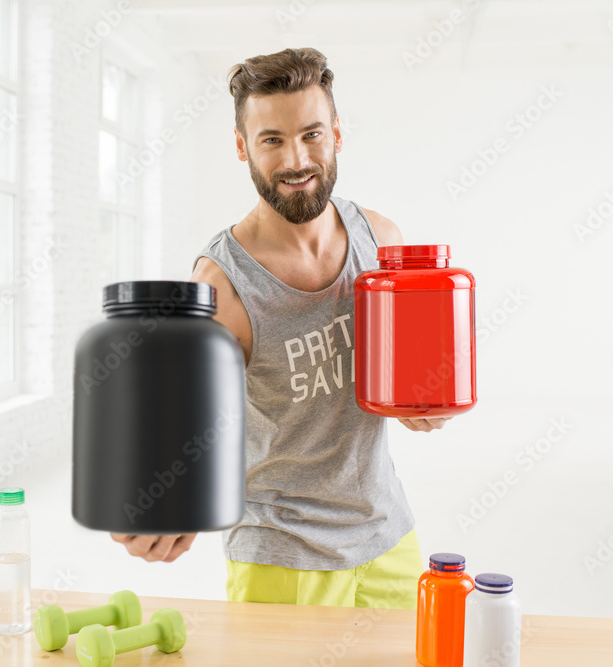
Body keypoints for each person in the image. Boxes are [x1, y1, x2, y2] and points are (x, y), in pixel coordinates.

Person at [111, 47, 449, 609]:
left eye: (312, 134)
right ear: (243, 147)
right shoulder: (221, 284)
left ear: (337, 134)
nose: (297, 159)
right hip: (281, 556)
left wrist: (420, 406)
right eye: (272, 140)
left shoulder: (382, 242)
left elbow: (406, 377)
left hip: (389, 536)